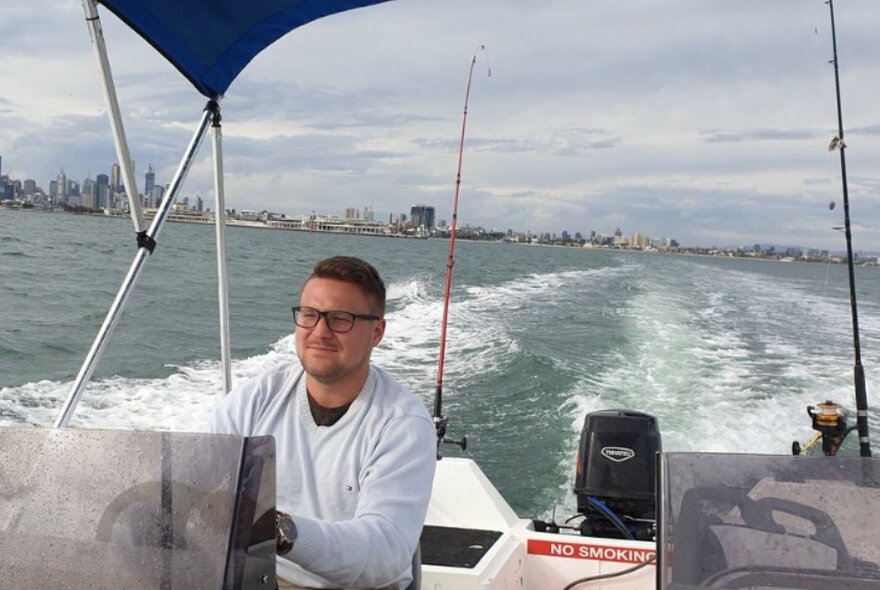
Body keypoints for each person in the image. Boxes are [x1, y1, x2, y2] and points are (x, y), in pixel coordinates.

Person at [210, 256, 436, 589]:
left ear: (377, 331)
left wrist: (280, 532)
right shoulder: (257, 399)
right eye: (309, 315)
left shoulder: (402, 423)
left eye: (340, 319)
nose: (319, 332)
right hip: (261, 579)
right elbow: (204, 479)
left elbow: (383, 552)